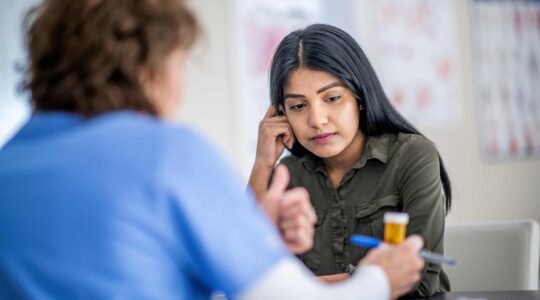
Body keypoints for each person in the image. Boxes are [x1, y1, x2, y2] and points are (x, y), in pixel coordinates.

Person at [0, 1, 424, 299]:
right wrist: (378, 280)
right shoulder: (168, 154)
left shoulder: (9, 164)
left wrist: (252, 236)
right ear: (151, 68)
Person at [248, 24, 452, 297]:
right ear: (281, 112)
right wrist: (262, 165)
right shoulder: (286, 175)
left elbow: (419, 284)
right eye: (298, 106)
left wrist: (296, 290)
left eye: (332, 98)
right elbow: (244, 272)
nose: (317, 120)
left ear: (359, 96)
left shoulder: (412, 156)